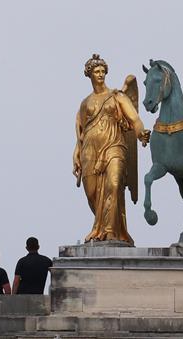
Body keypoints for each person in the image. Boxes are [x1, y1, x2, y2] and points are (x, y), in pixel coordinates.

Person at [73, 54, 150, 244]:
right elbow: (81, 132)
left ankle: (110, 231)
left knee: (114, 185)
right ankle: (100, 227)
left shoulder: (117, 96)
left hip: (114, 146)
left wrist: (141, 133)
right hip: (90, 150)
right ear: (89, 75)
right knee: (92, 192)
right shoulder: (85, 103)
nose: (100, 74)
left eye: (103, 71)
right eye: (96, 71)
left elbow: (135, 119)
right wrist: (76, 153)